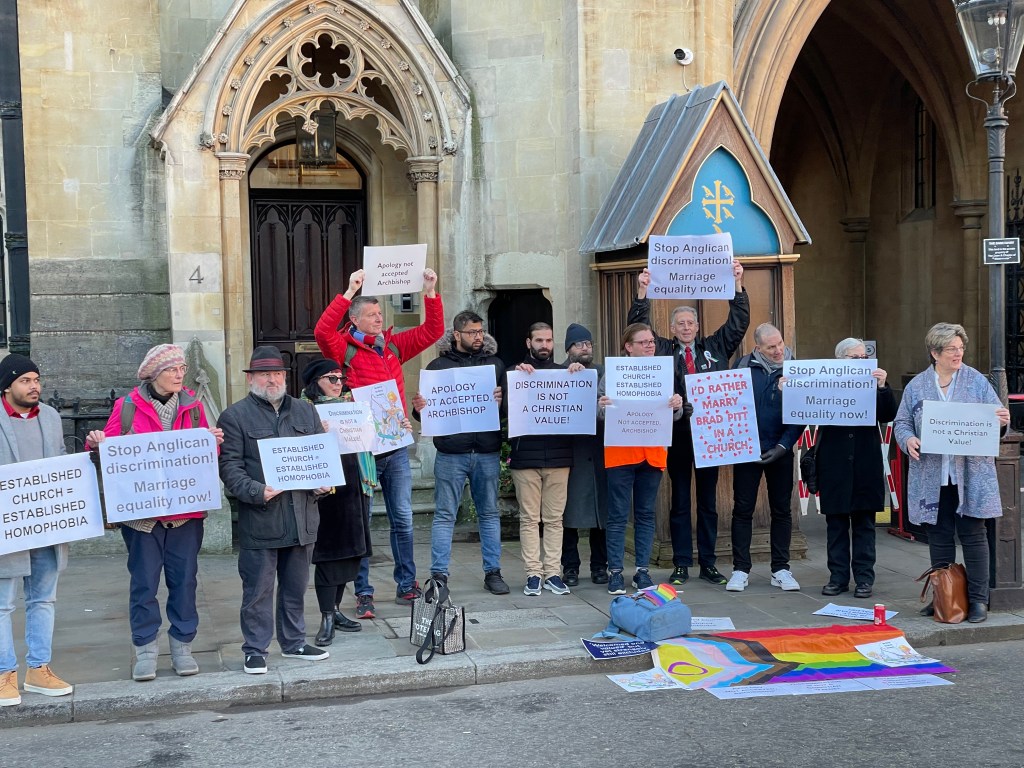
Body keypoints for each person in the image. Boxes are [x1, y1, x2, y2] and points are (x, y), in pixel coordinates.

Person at [85, 344, 223, 681]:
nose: (180, 374)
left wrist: (213, 442)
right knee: (144, 583)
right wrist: (96, 442)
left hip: (184, 514)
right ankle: (145, 648)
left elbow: (205, 461)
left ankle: (182, 646)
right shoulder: (127, 406)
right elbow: (109, 449)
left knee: (184, 581)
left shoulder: (193, 407)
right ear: (154, 373)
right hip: (141, 515)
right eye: (173, 368)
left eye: (182, 368)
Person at [314, 268, 445, 609]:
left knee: (402, 518)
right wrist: (348, 290)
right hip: (363, 451)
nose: (378, 319)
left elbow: (434, 330)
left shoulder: (393, 347)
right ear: (354, 320)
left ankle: (407, 585)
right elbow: (322, 329)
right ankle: (364, 592)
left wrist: (430, 293)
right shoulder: (343, 346)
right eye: (371, 315)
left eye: (379, 314)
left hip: (397, 447)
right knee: (363, 521)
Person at [629, 261, 748, 586]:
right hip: (677, 434)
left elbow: (738, 323)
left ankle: (708, 563)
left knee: (708, 503)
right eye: (679, 323)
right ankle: (681, 563)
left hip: (711, 436)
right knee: (680, 500)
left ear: (697, 326)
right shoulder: (662, 350)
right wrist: (643, 290)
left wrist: (737, 284)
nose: (685, 327)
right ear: (671, 328)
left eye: (690, 322)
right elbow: (638, 328)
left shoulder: (715, 347)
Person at [217, 346, 331, 674]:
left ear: (285, 376)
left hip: (302, 517)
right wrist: (256, 491)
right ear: (251, 378)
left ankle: (294, 642)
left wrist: (323, 483)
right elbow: (230, 467)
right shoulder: (235, 416)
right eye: (264, 374)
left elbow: (318, 457)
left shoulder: (305, 412)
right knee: (258, 589)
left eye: (277, 373)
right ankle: (255, 649)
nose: (272, 379)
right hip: (263, 519)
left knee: (295, 586)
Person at [893, 323, 1009, 624]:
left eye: (960, 348)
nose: (958, 354)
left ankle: (978, 601)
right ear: (935, 353)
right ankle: (943, 596)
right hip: (932, 475)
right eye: (951, 349)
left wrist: (1001, 420)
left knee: (973, 535)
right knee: (939, 536)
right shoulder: (917, 386)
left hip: (969, 475)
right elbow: (901, 422)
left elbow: (996, 419)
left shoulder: (976, 382)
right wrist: (908, 440)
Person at [411, 310, 509, 595]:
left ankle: (493, 572)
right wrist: (418, 409)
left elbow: (509, 410)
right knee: (444, 515)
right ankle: (439, 576)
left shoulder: (495, 364)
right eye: (472, 333)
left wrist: (502, 402)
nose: (478, 337)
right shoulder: (437, 366)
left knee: (489, 513)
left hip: (487, 451)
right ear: (456, 335)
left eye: (480, 332)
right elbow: (424, 414)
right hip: (451, 452)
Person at [0, 355, 74, 706]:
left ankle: (38, 669)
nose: (34, 386)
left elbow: (61, 462)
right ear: (7, 385)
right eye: (25, 380)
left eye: (36, 379)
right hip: (7, 528)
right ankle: (4, 674)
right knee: (2, 604)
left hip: (46, 526)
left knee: (43, 599)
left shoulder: (51, 417)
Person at [598, 324, 684, 595]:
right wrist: (602, 407)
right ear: (628, 346)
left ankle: (642, 572)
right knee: (618, 516)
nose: (650, 345)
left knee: (646, 515)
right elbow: (598, 414)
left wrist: (677, 406)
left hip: (652, 453)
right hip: (621, 452)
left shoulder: (663, 372)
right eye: (644, 342)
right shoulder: (612, 373)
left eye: (651, 341)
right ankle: (615, 572)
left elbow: (674, 415)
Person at [815, 339, 897, 599]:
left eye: (864, 357)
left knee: (864, 525)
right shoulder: (824, 384)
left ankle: (864, 579)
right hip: (835, 462)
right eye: (854, 358)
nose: (861, 363)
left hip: (865, 461)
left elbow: (887, 415)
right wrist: (789, 391)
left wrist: (882, 387)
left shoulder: (875, 384)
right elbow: (804, 409)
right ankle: (837, 578)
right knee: (836, 525)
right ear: (840, 361)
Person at [300, 359, 373, 646]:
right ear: (315, 381)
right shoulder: (304, 409)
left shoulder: (352, 404)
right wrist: (316, 431)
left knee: (350, 555)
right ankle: (326, 616)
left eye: (340, 378)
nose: (338, 383)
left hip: (353, 486)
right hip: (324, 492)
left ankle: (337, 610)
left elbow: (371, 439)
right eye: (331, 378)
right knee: (329, 556)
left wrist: (392, 428)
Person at [727, 323, 804, 593]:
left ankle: (781, 569)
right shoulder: (742, 366)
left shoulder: (798, 369)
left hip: (780, 448)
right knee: (742, 509)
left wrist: (783, 446)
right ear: (757, 347)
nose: (778, 350)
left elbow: (803, 413)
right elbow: (729, 405)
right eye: (771, 347)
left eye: (780, 344)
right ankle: (740, 569)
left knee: (782, 510)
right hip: (747, 448)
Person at [506, 322, 577, 596]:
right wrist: (514, 377)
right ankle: (533, 573)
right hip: (525, 457)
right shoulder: (515, 373)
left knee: (554, 519)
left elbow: (579, 406)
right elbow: (504, 409)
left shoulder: (565, 373)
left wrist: (578, 377)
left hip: (559, 457)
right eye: (539, 340)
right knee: (529, 519)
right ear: (529, 343)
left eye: (548, 340)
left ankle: (553, 573)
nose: (544, 345)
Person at [560, 323, 608, 586]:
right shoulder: (558, 374)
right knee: (570, 514)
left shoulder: (603, 372)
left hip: (600, 451)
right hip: (573, 453)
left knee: (602, 514)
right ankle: (570, 567)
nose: (585, 348)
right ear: (569, 349)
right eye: (579, 344)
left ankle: (600, 566)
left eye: (588, 344)